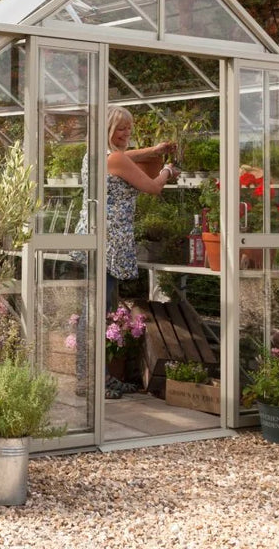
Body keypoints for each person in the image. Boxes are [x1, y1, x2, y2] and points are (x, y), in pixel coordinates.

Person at [73, 105, 177, 398]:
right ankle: (92, 381)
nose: (127, 133)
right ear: (108, 129)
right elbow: (152, 187)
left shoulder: (95, 156)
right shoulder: (114, 159)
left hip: (94, 240)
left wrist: (153, 150)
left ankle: (95, 377)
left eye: (129, 128)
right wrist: (168, 170)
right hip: (108, 244)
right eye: (121, 128)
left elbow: (130, 157)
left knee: (95, 311)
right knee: (99, 312)